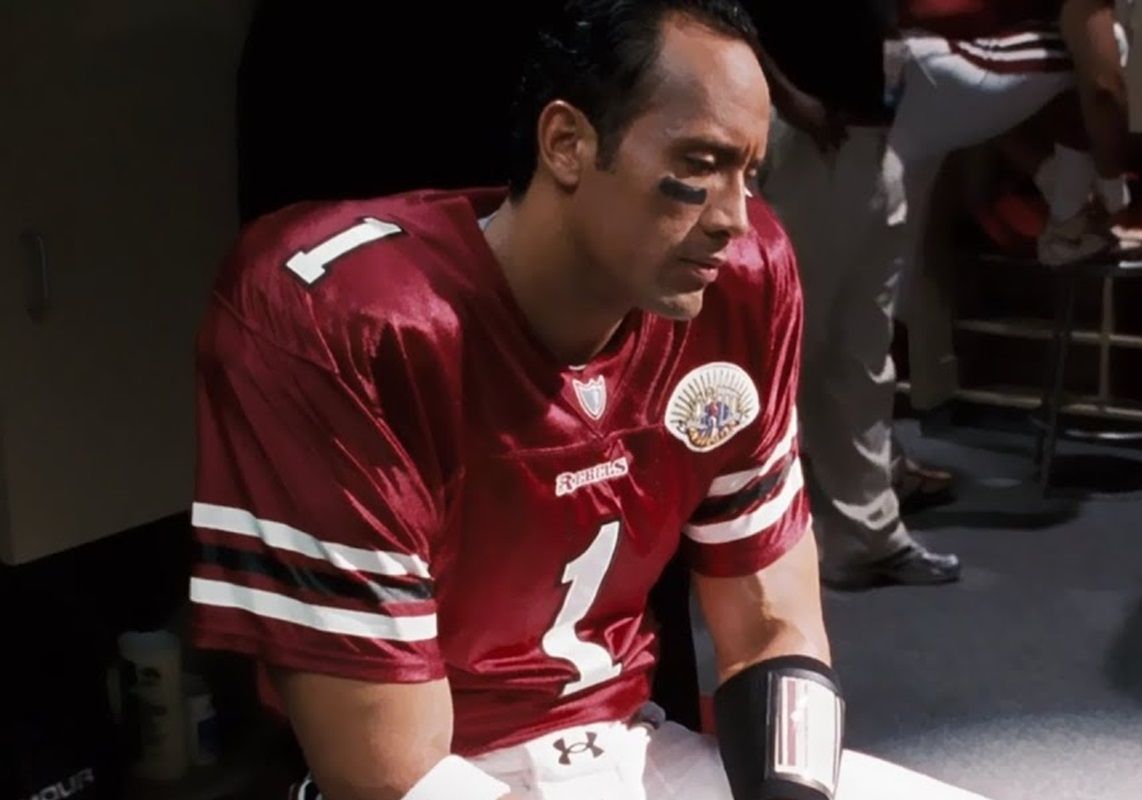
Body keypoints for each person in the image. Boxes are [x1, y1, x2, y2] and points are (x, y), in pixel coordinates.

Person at [186, 2, 991, 798]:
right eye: (700, 164)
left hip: (628, 740)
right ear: (567, 144)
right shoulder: (349, 319)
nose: (734, 219)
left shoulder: (741, 282)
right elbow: (387, 772)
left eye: (750, 172)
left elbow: (772, 624)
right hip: (444, 773)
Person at [754, 0, 965, 588]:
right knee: (788, 355)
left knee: (865, 355)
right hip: (808, 140)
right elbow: (722, 12)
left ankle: (866, 536)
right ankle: (759, 547)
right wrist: (787, 98)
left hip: (870, 139)